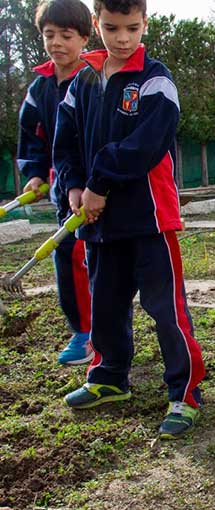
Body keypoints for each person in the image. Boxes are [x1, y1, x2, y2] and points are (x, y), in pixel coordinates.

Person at [53, 0, 205, 439]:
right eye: (112, 27)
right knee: (105, 304)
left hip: (150, 220)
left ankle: (185, 392)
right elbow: (65, 144)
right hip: (99, 223)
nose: (122, 38)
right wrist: (75, 186)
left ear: (144, 24)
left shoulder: (156, 80)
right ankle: (108, 378)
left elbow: (147, 144)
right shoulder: (82, 80)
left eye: (132, 28)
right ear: (96, 23)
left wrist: (100, 182)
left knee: (166, 309)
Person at [17, 0, 93, 365]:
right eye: (50, 35)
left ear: (84, 38)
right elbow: (34, 138)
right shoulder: (40, 87)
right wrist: (34, 173)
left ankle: (107, 330)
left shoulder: (97, 77)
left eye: (66, 35)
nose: (57, 43)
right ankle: (83, 331)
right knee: (67, 256)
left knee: (102, 261)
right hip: (65, 190)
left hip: (100, 188)